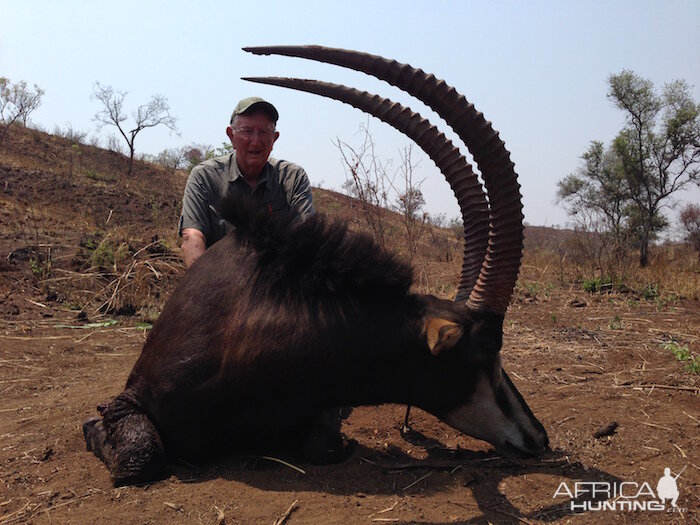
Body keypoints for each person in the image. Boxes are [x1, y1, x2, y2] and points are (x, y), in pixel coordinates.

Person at [179, 97, 315, 268]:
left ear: (274, 139)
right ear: (231, 135)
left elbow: (308, 237)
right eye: (247, 131)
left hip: (276, 282)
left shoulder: (293, 177)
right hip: (220, 279)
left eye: (264, 132)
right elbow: (193, 237)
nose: (256, 141)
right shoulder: (204, 176)